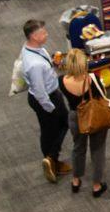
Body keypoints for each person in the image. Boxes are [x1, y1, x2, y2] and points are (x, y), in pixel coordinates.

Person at [19, 19, 71, 182]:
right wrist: (50, 108)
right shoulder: (34, 65)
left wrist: (53, 65)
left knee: (49, 129)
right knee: (61, 124)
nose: (46, 34)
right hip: (46, 98)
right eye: (43, 32)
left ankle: (52, 160)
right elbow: (40, 92)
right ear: (34, 36)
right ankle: (51, 158)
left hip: (47, 94)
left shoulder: (34, 48)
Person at [60, 50, 110, 197]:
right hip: (93, 117)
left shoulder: (61, 81)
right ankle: (96, 185)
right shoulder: (92, 79)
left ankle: (76, 180)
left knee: (78, 147)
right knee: (98, 149)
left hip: (75, 117)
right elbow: (103, 95)